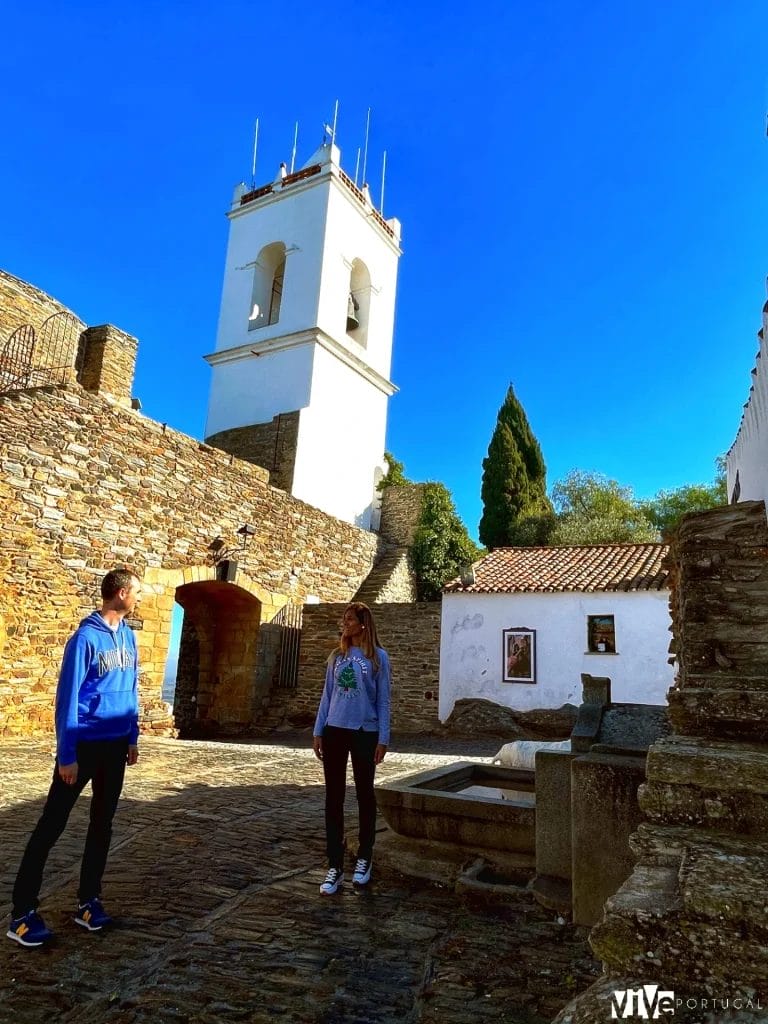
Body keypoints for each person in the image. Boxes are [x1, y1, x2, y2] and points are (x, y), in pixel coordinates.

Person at [7, 568, 142, 947]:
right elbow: (66, 700)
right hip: (83, 748)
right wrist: (67, 755)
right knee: (52, 825)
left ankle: (88, 902)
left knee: (102, 825)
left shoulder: (129, 637)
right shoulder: (84, 639)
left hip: (115, 747)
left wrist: (132, 735)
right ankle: (21, 913)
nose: (139, 598)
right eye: (136, 592)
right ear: (120, 593)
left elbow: (131, 688)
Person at [312, 601, 391, 895]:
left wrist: (383, 738)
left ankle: (364, 858)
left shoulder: (378, 658)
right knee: (333, 798)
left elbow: (383, 700)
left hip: (364, 733)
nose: (344, 624)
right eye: (343, 619)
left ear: (363, 624)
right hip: (334, 730)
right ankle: (334, 866)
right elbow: (327, 695)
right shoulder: (337, 657)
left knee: (364, 795)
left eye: (349, 619)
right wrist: (318, 730)